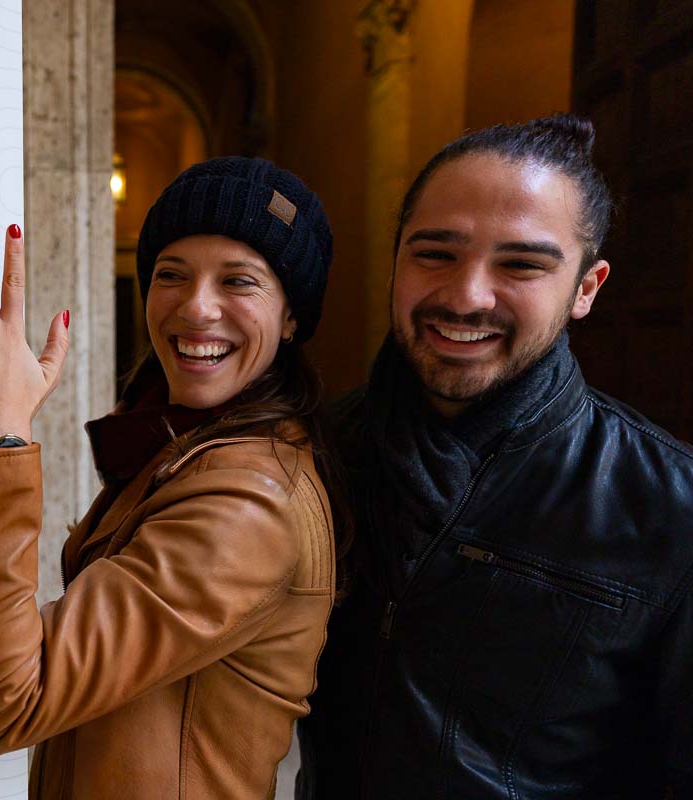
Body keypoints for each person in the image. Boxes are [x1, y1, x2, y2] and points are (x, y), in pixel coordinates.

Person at [0, 157, 346, 798]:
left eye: (239, 281)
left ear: (290, 319)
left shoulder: (251, 502)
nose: (197, 307)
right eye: (171, 274)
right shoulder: (182, 445)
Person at [296, 115, 693, 798]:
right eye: (435, 254)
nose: (466, 295)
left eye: (521, 264)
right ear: (395, 259)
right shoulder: (312, 454)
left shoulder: (672, 506)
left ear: (587, 287)